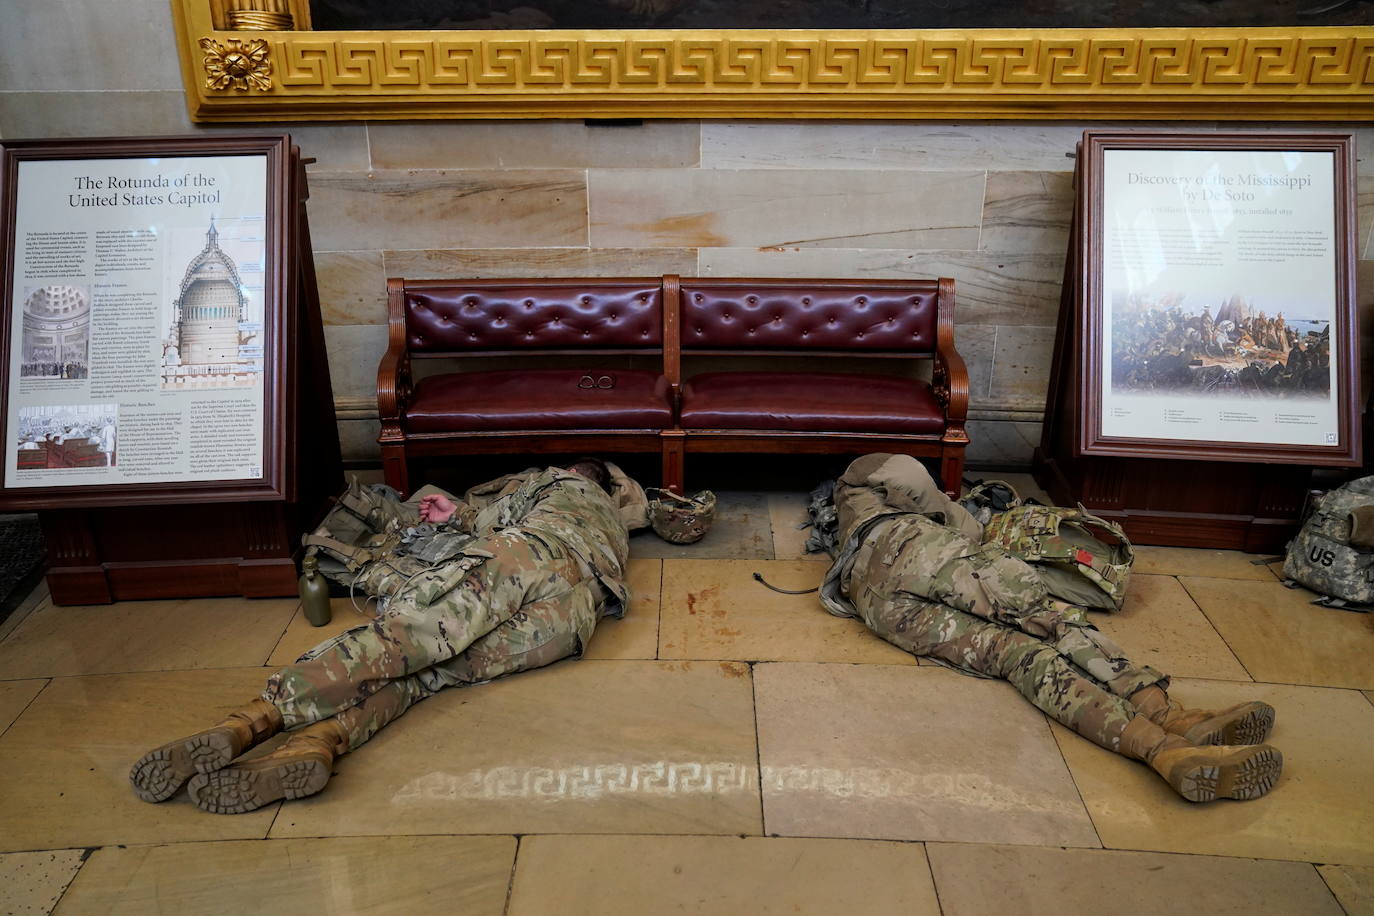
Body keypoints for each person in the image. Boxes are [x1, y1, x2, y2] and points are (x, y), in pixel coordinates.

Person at [130, 458, 642, 814]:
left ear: (574, 472)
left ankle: (255, 720)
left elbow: (490, 520)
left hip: (530, 554)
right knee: (428, 675)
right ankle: (319, 742)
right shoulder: (618, 525)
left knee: (404, 640)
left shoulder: (554, 484)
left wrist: (455, 513)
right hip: (579, 612)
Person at [810, 453, 1282, 803]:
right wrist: (954, 508)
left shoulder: (847, 514)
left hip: (875, 603)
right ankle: (1170, 715)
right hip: (912, 549)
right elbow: (935, 502)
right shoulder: (869, 473)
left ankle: (1164, 751)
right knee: (1050, 621)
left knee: (1017, 656)